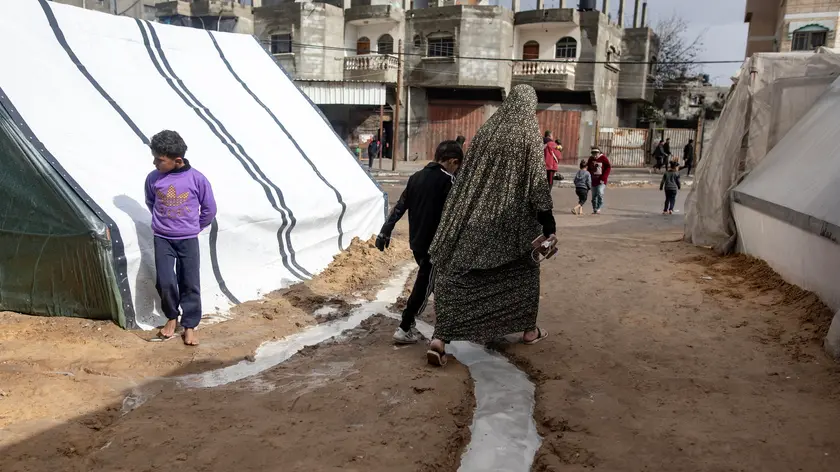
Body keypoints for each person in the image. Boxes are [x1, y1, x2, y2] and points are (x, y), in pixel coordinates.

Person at [426, 84, 555, 367]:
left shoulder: (488, 129)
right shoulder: (528, 133)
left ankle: (440, 338)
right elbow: (536, 181)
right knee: (523, 273)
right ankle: (529, 331)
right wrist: (547, 219)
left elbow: (468, 173)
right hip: (509, 223)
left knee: (458, 273)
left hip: (471, 216)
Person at [375, 140, 463, 344]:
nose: (457, 170)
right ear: (451, 161)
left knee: (433, 282)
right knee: (425, 285)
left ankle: (438, 324)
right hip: (436, 246)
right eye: (457, 166)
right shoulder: (449, 182)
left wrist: (385, 230)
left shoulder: (415, 178)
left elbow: (400, 206)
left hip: (417, 242)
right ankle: (405, 327)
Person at [145, 130, 216, 346]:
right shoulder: (154, 178)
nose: (155, 162)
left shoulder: (197, 179)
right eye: (155, 157)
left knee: (189, 282)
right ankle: (171, 317)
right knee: (166, 281)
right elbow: (151, 202)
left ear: (177, 161)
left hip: (188, 239)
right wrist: (163, 223)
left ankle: (190, 325)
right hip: (163, 238)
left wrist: (194, 227)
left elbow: (209, 209)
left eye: (160, 159)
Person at [587, 147, 611, 214]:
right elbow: (588, 168)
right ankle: (595, 208)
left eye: (596, 153)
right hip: (593, 180)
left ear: (599, 153)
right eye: (593, 153)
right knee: (594, 195)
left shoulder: (603, 158)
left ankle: (599, 207)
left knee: (600, 193)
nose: (594, 155)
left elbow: (608, 167)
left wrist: (604, 177)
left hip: (601, 180)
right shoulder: (590, 159)